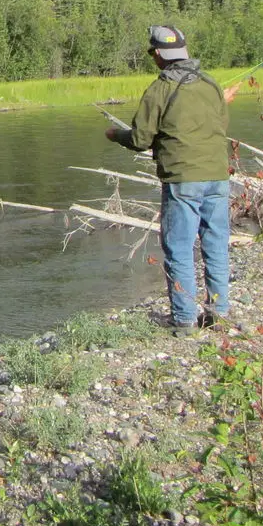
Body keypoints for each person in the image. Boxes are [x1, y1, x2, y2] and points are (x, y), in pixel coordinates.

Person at [105, 26, 241, 336]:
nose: (152, 57)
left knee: (179, 246)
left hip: (183, 179)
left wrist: (115, 135)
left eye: (152, 53)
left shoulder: (160, 89)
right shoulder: (211, 84)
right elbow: (219, 124)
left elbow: (140, 140)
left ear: (158, 55)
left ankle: (184, 319)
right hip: (218, 176)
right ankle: (218, 313)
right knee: (216, 244)